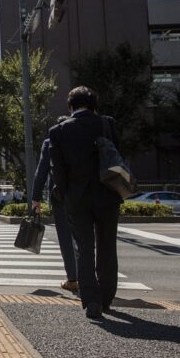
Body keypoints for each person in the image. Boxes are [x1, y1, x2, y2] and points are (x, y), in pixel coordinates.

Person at [45, 86, 121, 319]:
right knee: (108, 246)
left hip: (77, 198)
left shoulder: (58, 131)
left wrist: (64, 194)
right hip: (108, 194)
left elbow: (59, 171)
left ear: (70, 106)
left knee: (84, 249)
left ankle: (91, 300)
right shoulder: (107, 124)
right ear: (94, 104)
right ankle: (107, 297)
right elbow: (118, 157)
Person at [31, 116, 78, 293]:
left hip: (60, 195)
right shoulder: (82, 138)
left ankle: (73, 279)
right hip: (85, 193)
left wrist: (36, 199)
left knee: (66, 237)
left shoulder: (50, 141)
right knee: (85, 235)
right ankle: (89, 276)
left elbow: (41, 172)